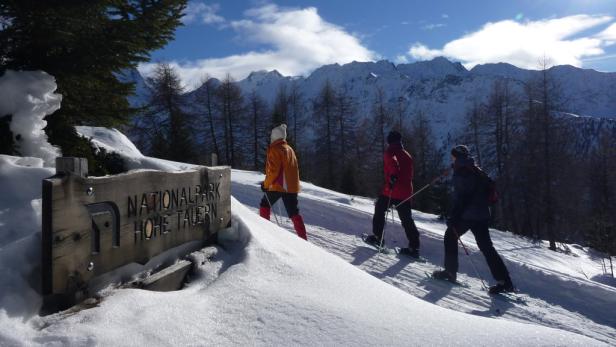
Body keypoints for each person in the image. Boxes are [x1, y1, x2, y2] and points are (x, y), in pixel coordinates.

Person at [432, 145, 515, 294]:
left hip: (468, 214)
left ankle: (450, 272)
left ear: (457, 157)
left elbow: (462, 199)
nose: (452, 159)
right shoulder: (474, 168)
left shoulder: (461, 172)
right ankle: (505, 281)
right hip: (482, 214)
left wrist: (453, 217)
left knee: (450, 236)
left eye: (453, 157)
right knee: (487, 247)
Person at [365, 130, 421, 257]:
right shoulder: (407, 155)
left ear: (389, 141)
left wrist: (393, 177)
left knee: (379, 210)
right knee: (407, 219)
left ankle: (378, 238)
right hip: (406, 192)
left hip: (392, 190)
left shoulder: (390, 152)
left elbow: (394, 165)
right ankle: (414, 247)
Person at [259, 123, 307, 240]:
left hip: (279, 185)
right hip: (292, 186)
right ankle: (304, 240)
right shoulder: (290, 149)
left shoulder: (275, 149)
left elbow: (273, 171)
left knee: (264, 204)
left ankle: (264, 233)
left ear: (274, 136)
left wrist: (266, 184)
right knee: (294, 213)